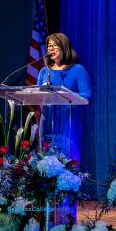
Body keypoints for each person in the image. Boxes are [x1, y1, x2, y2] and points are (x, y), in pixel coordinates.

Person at [37, 33, 92, 162]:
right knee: (45, 159)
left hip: (69, 120)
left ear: (64, 47)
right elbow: (37, 95)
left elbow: (87, 95)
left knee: (68, 159)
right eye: (49, 46)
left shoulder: (78, 70)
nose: (50, 49)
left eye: (54, 46)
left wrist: (63, 94)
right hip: (47, 119)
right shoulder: (44, 72)